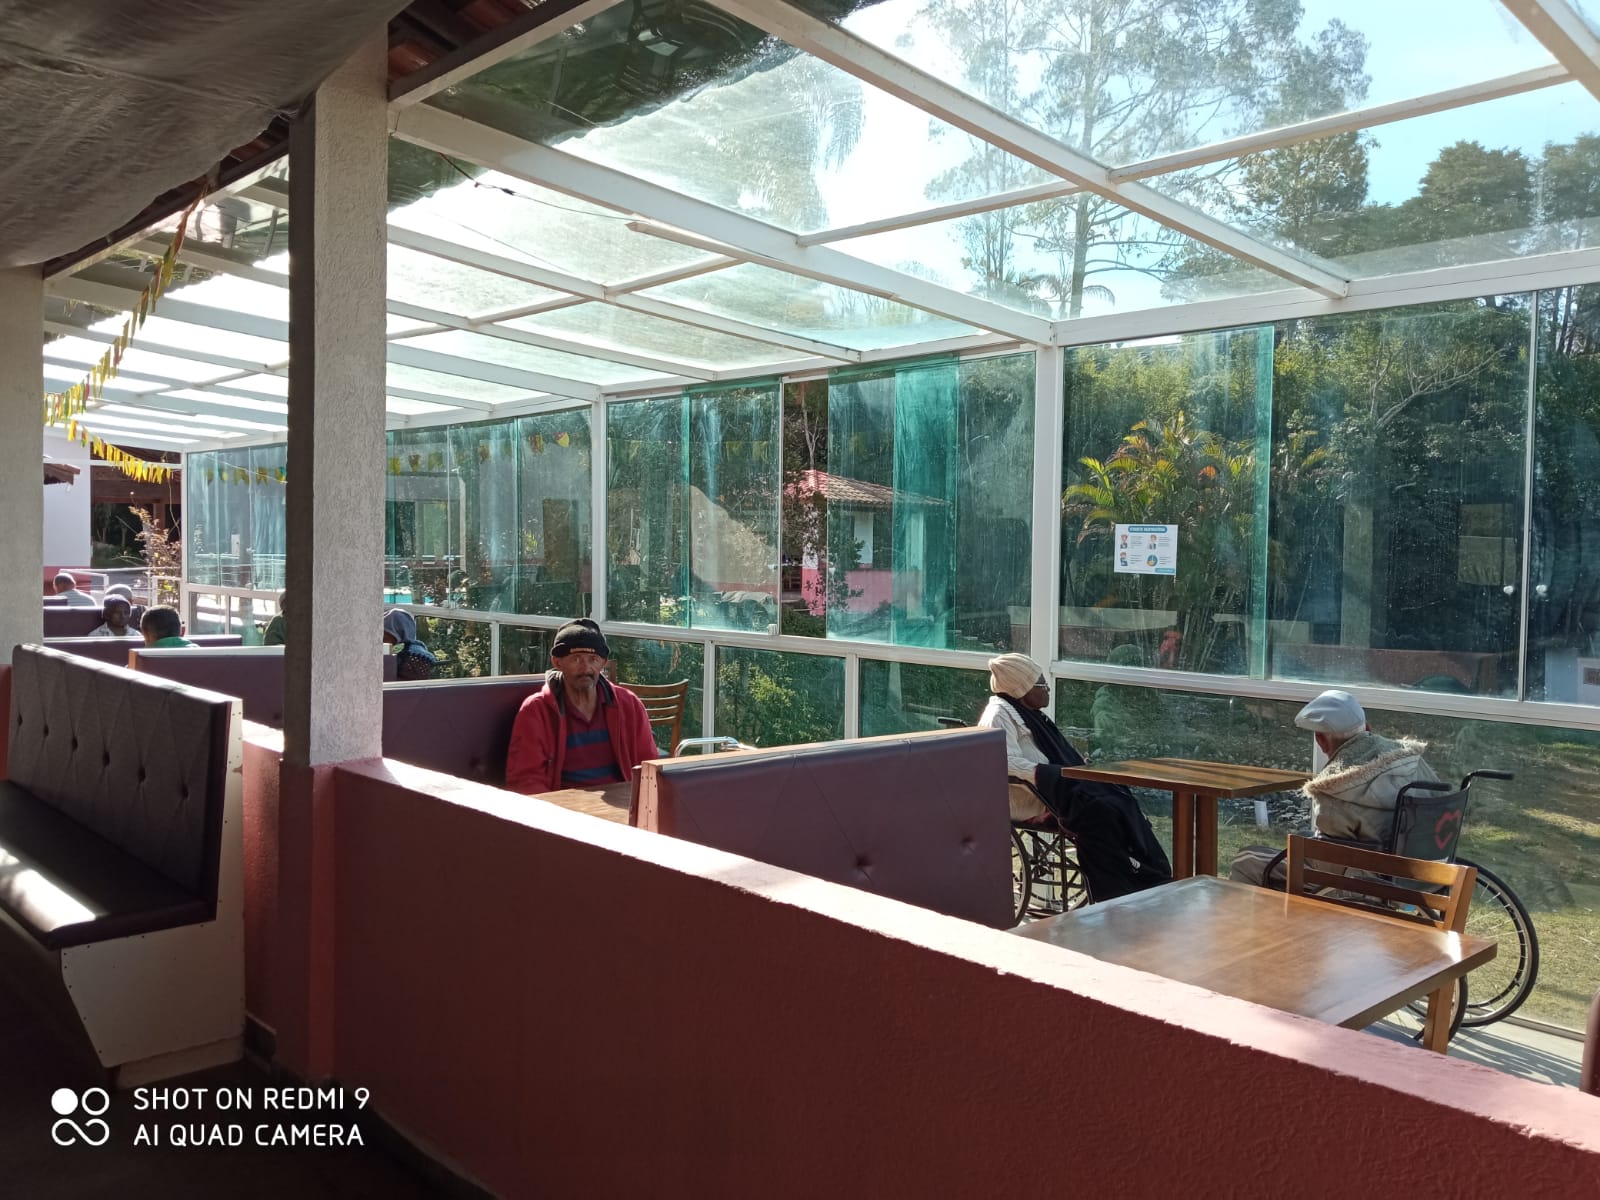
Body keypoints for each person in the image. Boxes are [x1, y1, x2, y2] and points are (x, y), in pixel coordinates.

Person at [978, 652, 1171, 902]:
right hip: (1030, 798)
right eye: (1041, 683)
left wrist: (1074, 767)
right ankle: (1113, 891)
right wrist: (1045, 773)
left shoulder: (1028, 713)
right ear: (1022, 688)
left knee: (1119, 797)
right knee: (1100, 811)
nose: (1047, 688)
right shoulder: (998, 714)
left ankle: (1144, 874)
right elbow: (1002, 761)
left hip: (1055, 789)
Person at [1229, 689, 1438, 888]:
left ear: (1320, 741)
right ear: (1368, 728)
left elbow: (1327, 865)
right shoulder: (1413, 760)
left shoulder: (1335, 788)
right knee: (1303, 837)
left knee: (1246, 860)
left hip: (1362, 885)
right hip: (1423, 875)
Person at [505, 618, 660, 795]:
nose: (586, 668)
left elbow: (649, 768)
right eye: (576, 659)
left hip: (623, 804)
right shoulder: (536, 710)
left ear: (603, 663)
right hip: (563, 808)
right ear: (557, 663)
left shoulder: (629, 704)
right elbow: (526, 781)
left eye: (593, 659)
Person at [382, 609, 438, 681]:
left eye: (385, 637)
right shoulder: (392, 651)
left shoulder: (414, 655)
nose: (382, 641)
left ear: (400, 632)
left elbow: (414, 683)